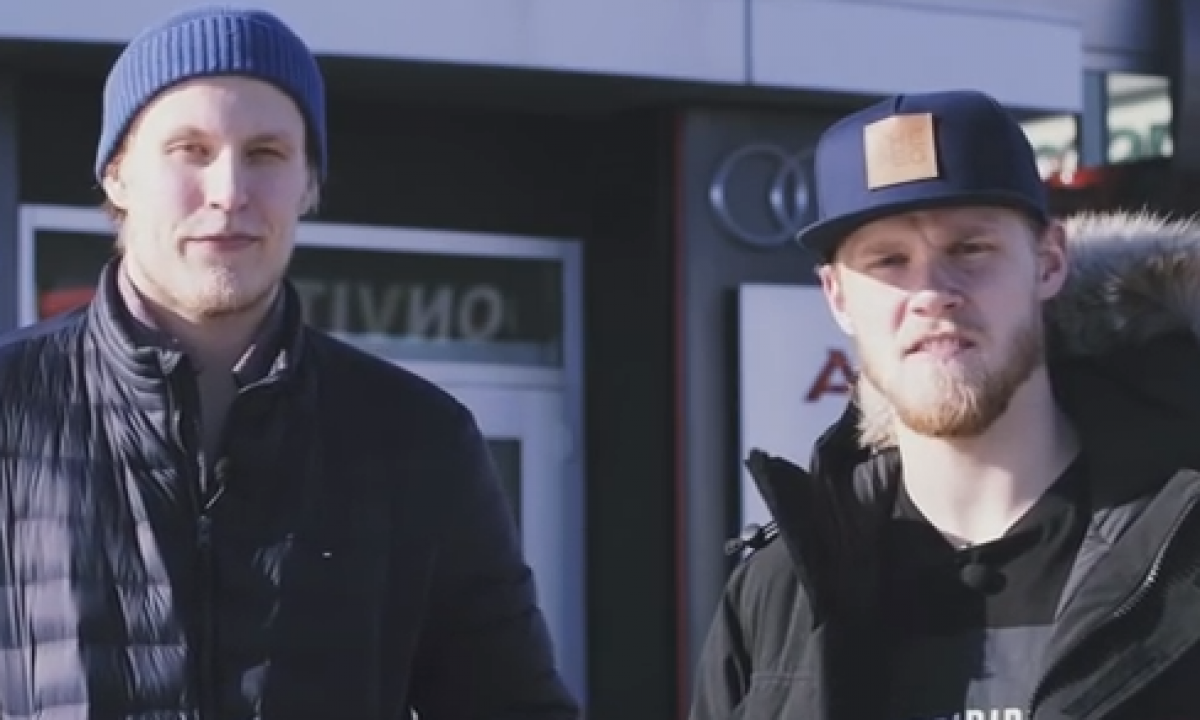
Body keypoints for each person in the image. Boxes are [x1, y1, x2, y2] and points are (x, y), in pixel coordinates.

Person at [0, 6, 579, 719]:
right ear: (117, 176)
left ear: (309, 184)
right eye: (189, 149)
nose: (229, 191)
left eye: (266, 153)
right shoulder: (12, 407)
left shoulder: (417, 439)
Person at [690, 89, 1200, 720]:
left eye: (969, 249)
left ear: (1048, 262)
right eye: (889, 261)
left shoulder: (1181, 551)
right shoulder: (780, 595)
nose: (932, 293)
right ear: (837, 297)